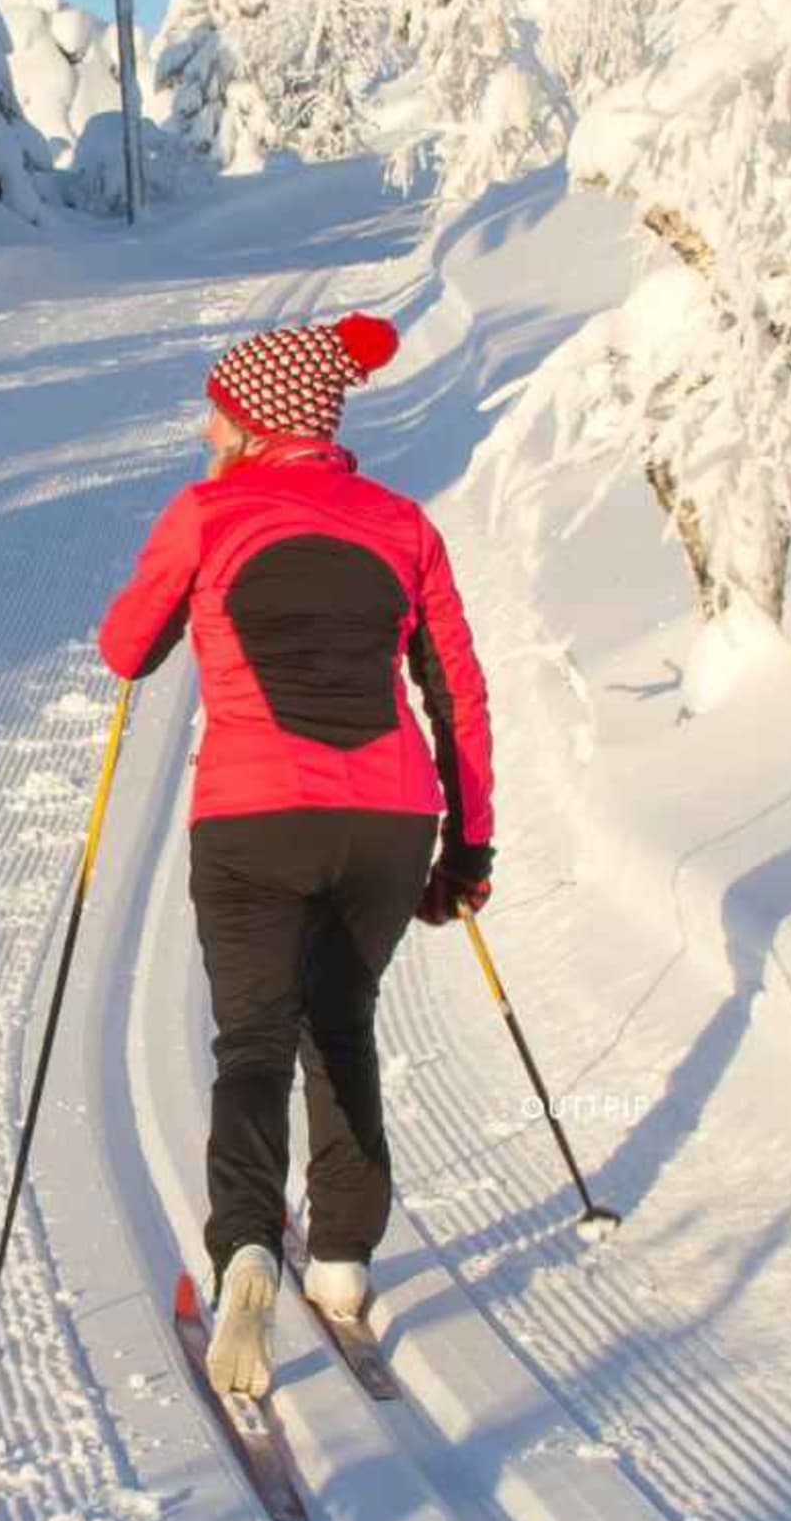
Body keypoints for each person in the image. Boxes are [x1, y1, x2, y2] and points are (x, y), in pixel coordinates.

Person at [98, 311, 494, 1398]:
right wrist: (467, 845)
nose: (205, 425)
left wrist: (191, 566)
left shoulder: (207, 512)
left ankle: (244, 1255)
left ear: (249, 420)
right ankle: (343, 1262)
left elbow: (125, 645)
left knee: (253, 1041)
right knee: (341, 1025)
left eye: (215, 409)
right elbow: (454, 691)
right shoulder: (402, 525)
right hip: (386, 822)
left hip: (251, 817)